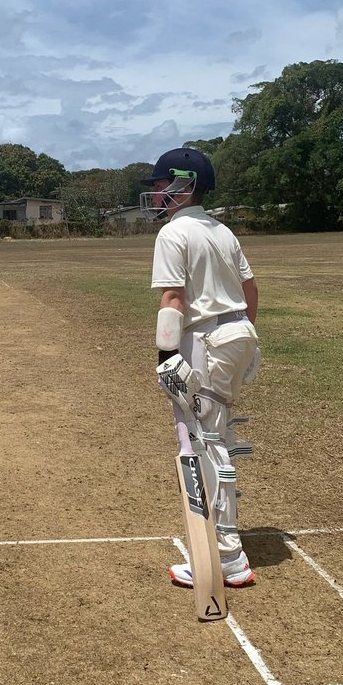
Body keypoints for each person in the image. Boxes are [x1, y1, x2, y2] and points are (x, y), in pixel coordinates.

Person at [141, 147, 260, 590]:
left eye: (158, 185)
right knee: (217, 436)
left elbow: (173, 300)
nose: (154, 193)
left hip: (206, 340)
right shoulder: (223, 231)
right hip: (235, 335)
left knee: (207, 443)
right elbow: (250, 288)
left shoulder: (174, 234)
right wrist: (245, 336)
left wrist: (166, 360)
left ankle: (226, 557)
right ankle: (223, 545)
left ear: (182, 184)